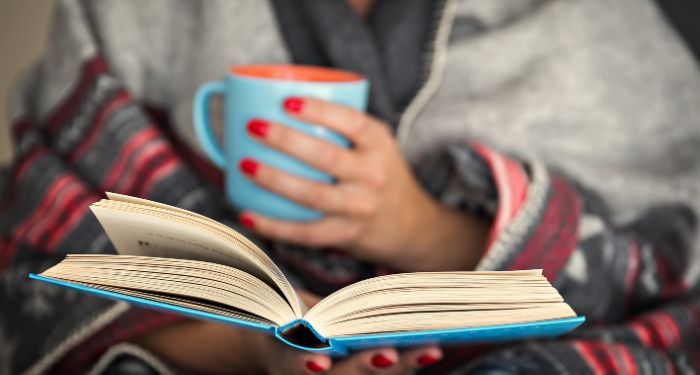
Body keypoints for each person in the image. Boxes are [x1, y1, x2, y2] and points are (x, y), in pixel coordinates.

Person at [1, 0, 699, 374]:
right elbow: (45, 254)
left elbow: (676, 270)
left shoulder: (600, 24)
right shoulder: (128, 13)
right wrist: (257, 346)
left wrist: (419, 225)